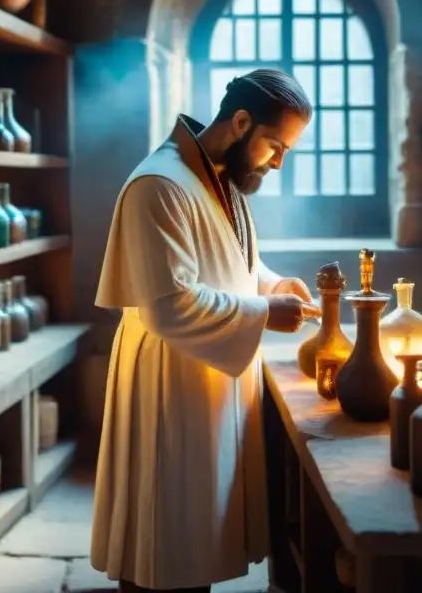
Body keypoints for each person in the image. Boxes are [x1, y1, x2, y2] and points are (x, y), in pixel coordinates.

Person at [91, 68, 322, 593]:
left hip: (209, 375)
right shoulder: (160, 185)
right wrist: (265, 314)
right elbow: (169, 305)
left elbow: (228, 261)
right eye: (274, 144)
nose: (280, 161)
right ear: (240, 122)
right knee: (166, 540)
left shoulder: (220, 174)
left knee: (196, 535)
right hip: (170, 383)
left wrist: (271, 282)